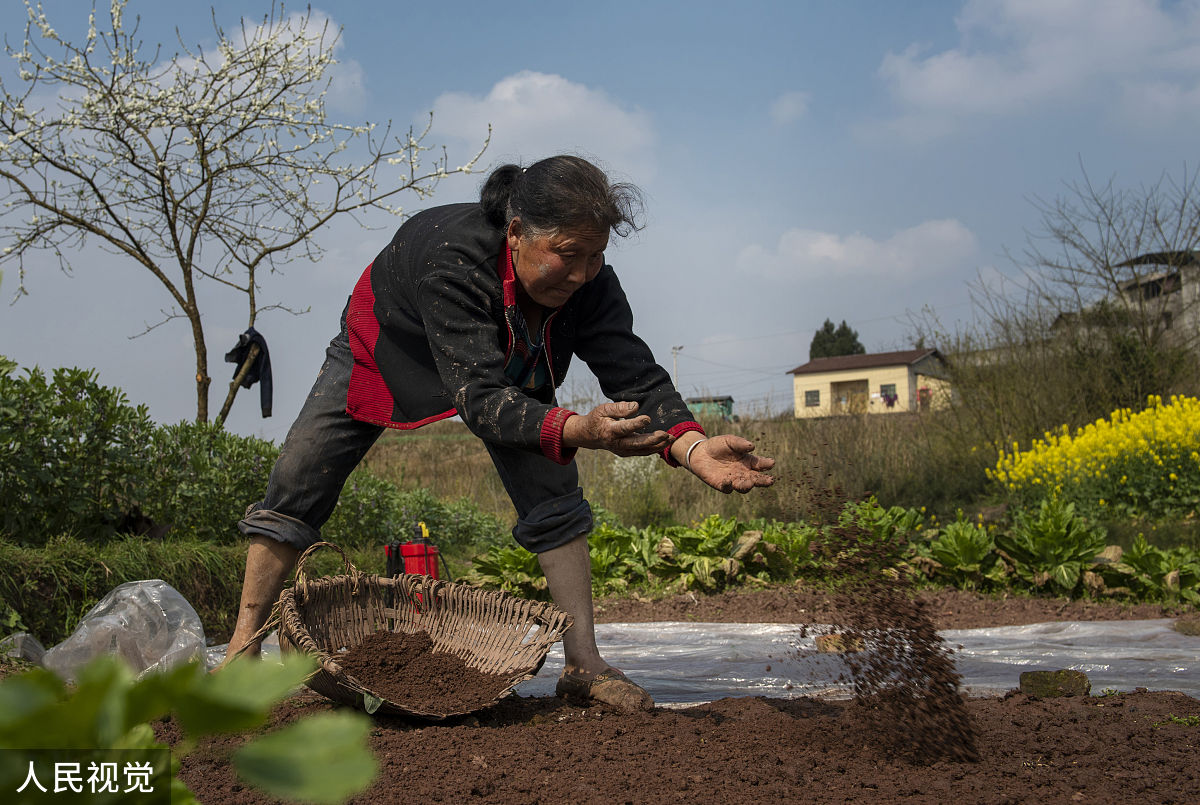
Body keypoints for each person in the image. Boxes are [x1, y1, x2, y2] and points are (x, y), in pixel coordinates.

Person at [223, 155, 775, 711]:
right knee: (300, 475)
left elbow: (634, 371)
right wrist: (580, 427)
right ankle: (242, 650)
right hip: (392, 339)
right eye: (567, 255)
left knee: (552, 485)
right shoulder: (453, 260)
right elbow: (482, 401)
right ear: (516, 233)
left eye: (595, 256)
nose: (583, 274)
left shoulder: (589, 281)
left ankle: (583, 663)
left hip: (508, 355)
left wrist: (694, 447)